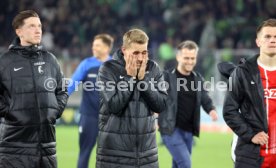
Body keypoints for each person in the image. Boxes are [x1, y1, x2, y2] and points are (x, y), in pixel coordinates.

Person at [0, 10, 68, 168]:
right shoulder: (5, 62)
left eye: (39, 26)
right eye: (31, 26)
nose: (38, 30)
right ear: (19, 31)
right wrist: (10, 111)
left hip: (47, 149)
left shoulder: (50, 59)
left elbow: (62, 89)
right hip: (14, 150)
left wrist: (54, 111)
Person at [96, 28, 167, 168]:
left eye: (144, 52)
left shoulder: (153, 68)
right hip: (114, 156)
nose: (140, 58)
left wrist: (143, 80)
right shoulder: (108, 69)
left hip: (147, 156)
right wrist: (130, 78)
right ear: (124, 50)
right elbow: (114, 106)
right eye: (135, 53)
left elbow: (161, 105)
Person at [223, 18, 276, 168]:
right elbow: (229, 110)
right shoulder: (242, 73)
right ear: (258, 41)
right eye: (267, 36)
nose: (272, 40)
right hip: (252, 156)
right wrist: (251, 135)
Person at [158, 40, 218, 168]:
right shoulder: (167, 77)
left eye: (192, 58)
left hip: (189, 131)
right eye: (186, 58)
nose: (190, 61)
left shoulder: (198, 78)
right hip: (170, 129)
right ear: (178, 57)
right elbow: (156, 98)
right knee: (185, 163)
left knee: (178, 164)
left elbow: (204, 97)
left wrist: (211, 109)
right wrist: (153, 115)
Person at [67, 34, 114, 168]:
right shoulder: (86, 64)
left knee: (109, 155)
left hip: (110, 118)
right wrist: (59, 101)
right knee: (85, 152)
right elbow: (72, 85)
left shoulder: (115, 66)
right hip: (89, 116)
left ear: (106, 48)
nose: (93, 47)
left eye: (97, 45)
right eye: (93, 45)